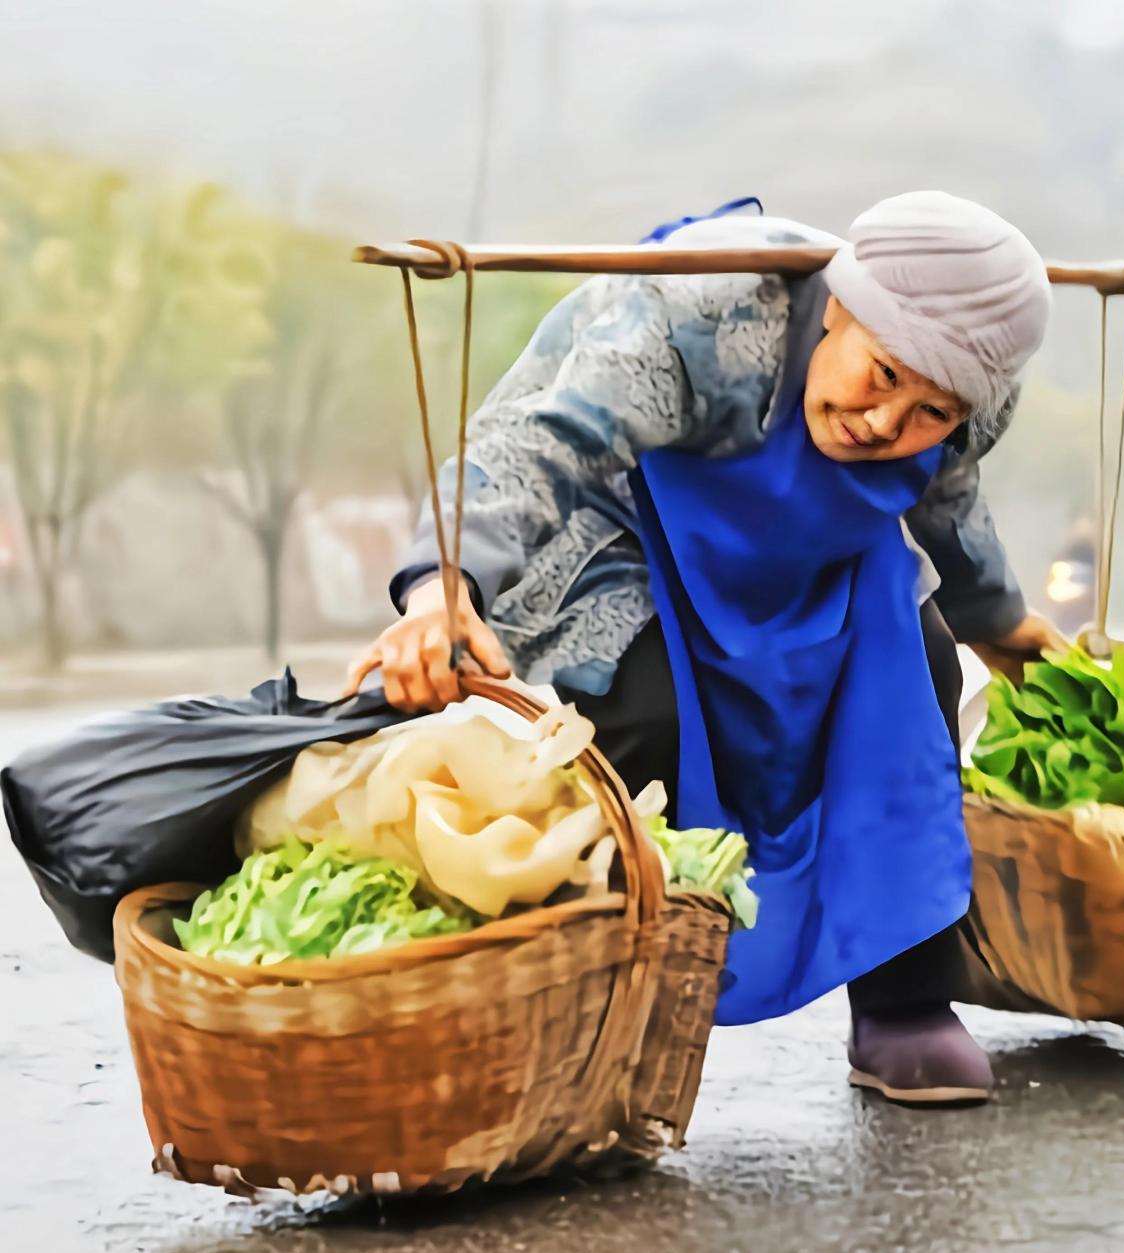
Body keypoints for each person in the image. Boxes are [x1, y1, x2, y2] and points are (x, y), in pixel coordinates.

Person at [347, 192, 1065, 1105]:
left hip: (808, 550)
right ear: (838, 308)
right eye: (882, 376)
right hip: (622, 526)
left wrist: (999, 624)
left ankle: (906, 1002)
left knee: (915, 684)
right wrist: (444, 588)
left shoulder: (969, 409)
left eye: (930, 409)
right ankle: (595, 1017)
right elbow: (540, 446)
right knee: (623, 716)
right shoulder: (704, 310)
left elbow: (948, 504)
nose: (887, 424)